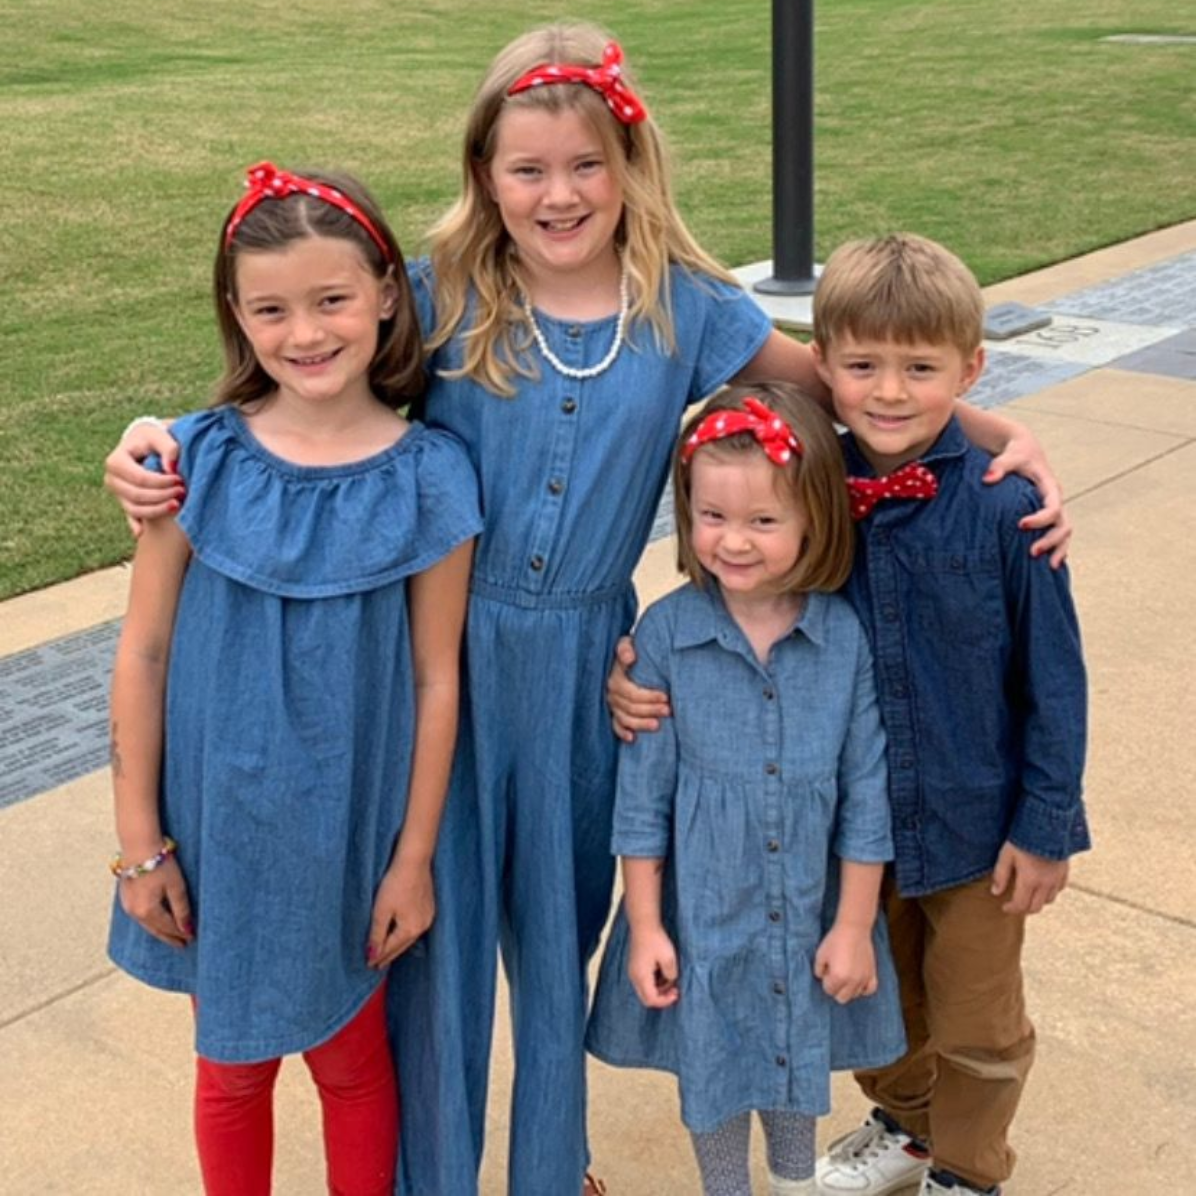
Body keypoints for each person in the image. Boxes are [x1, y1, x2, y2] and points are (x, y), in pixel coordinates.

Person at [102, 26, 1070, 1196]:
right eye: (526, 168)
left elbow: (846, 382)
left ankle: (551, 1170)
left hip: (585, 682)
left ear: (629, 163)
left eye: (585, 165)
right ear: (483, 174)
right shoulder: (440, 294)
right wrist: (153, 439)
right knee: (432, 951)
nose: (557, 194)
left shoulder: (684, 308)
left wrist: (1001, 433)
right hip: (437, 668)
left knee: (557, 940)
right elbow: (306, 357)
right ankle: (436, 1177)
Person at [612, 233, 1088, 1196]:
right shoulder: (807, 486)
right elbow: (731, 573)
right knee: (869, 1001)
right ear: (822, 365)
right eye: (863, 365)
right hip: (844, 835)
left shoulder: (1004, 510)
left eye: (921, 368)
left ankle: (968, 1168)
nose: (891, 392)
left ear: (971, 368)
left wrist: (1046, 826)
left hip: (975, 826)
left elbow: (1056, 680)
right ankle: (908, 1126)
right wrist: (639, 664)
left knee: (978, 1021)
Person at [105, 162, 479, 1196]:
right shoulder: (194, 462)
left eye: (331, 300)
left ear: (385, 293)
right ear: (236, 314)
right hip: (213, 834)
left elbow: (434, 676)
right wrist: (139, 843)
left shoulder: (429, 474)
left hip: (350, 839)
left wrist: (411, 860)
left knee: (354, 1063)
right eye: (271, 308)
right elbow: (141, 653)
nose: (305, 332)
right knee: (229, 1068)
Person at [584, 384, 906, 1196]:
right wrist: (650, 926)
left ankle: (793, 1182)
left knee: (795, 1057)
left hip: (809, 907)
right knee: (715, 1066)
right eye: (712, 516)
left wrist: (857, 924)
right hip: (702, 913)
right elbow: (641, 802)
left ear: (814, 520)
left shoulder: (841, 639)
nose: (733, 541)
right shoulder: (664, 637)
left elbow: (866, 790)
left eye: (763, 521)